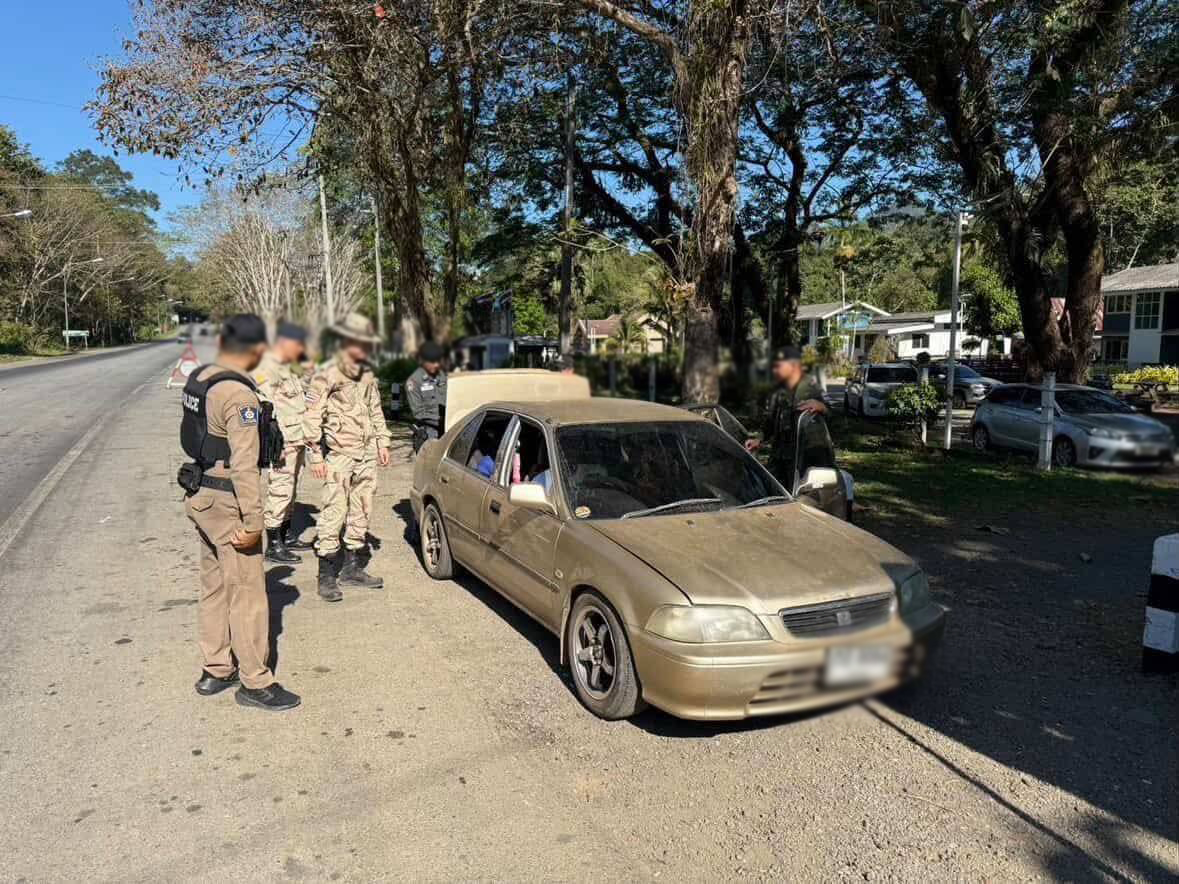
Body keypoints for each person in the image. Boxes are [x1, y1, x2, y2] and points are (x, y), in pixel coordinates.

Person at [179, 314, 300, 712]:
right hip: (228, 501)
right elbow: (245, 467)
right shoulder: (239, 396)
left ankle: (216, 668)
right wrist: (254, 522)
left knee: (214, 587)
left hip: (201, 494)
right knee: (247, 593)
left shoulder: (201, 377)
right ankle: (255, 681)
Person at [302, 312, 391, 601]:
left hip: (366, 453)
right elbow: (312, 415)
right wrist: (315, 455)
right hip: (339, 454)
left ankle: (352, 568)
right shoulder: (327, 371)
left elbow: (375, 408)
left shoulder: (366, 371)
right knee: (334, 511)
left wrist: (382, 442)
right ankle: (327, 575)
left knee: (362, 509)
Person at [253, 321, 314, 564]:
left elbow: (303, 392)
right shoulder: (267, 367)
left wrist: (307, 367)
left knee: (292, 487)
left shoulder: (288, 366)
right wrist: (273, 440)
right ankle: (273, 544)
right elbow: (265, 404)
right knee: (280, 489)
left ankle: (287, 535)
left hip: (297, 437)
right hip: (283, 441)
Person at [746, 346, 828, 491]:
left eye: (778, 366)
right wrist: (759, 439)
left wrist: (822, 406)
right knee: (772, 491)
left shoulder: (811, 386)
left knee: (799, 495)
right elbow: (771, 421)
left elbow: (832, 415)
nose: (775, 370)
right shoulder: (779, 391)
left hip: (802, 458)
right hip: (779, 455)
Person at [406, 341, 448, 453]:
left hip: (448, 426)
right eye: (433, 362)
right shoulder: (414, 381)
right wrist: (439, 420)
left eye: (438, 361)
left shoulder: (443, 376)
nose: (436, 365)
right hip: (429, 430)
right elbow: (418, 412)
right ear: (423, 361)